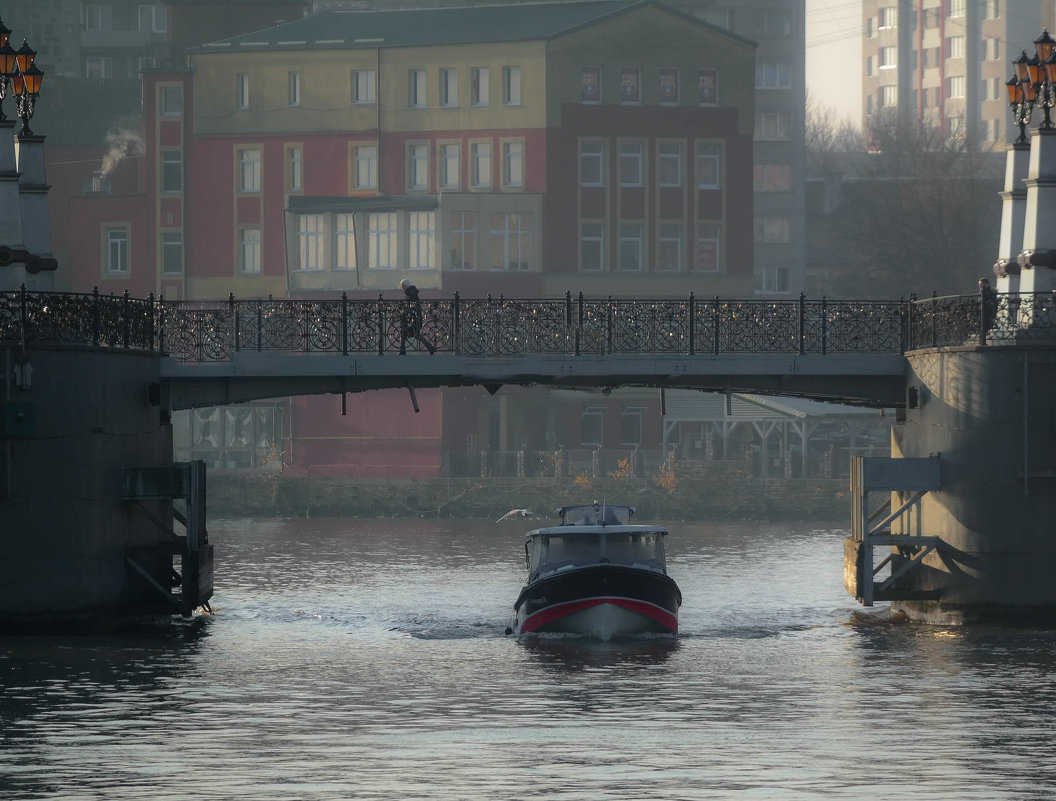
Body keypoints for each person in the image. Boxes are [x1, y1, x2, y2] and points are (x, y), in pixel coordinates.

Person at [399, 278, 435, 354]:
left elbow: (412, 306)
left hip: (413, 319)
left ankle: (402, 351)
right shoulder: (411, 292)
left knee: (405, 333)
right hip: (414, 318)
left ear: (405, 286)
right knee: (414, 335)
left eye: (402, 286)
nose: (402, 288)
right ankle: (430, 348)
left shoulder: (410, 293)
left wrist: (406, 311)